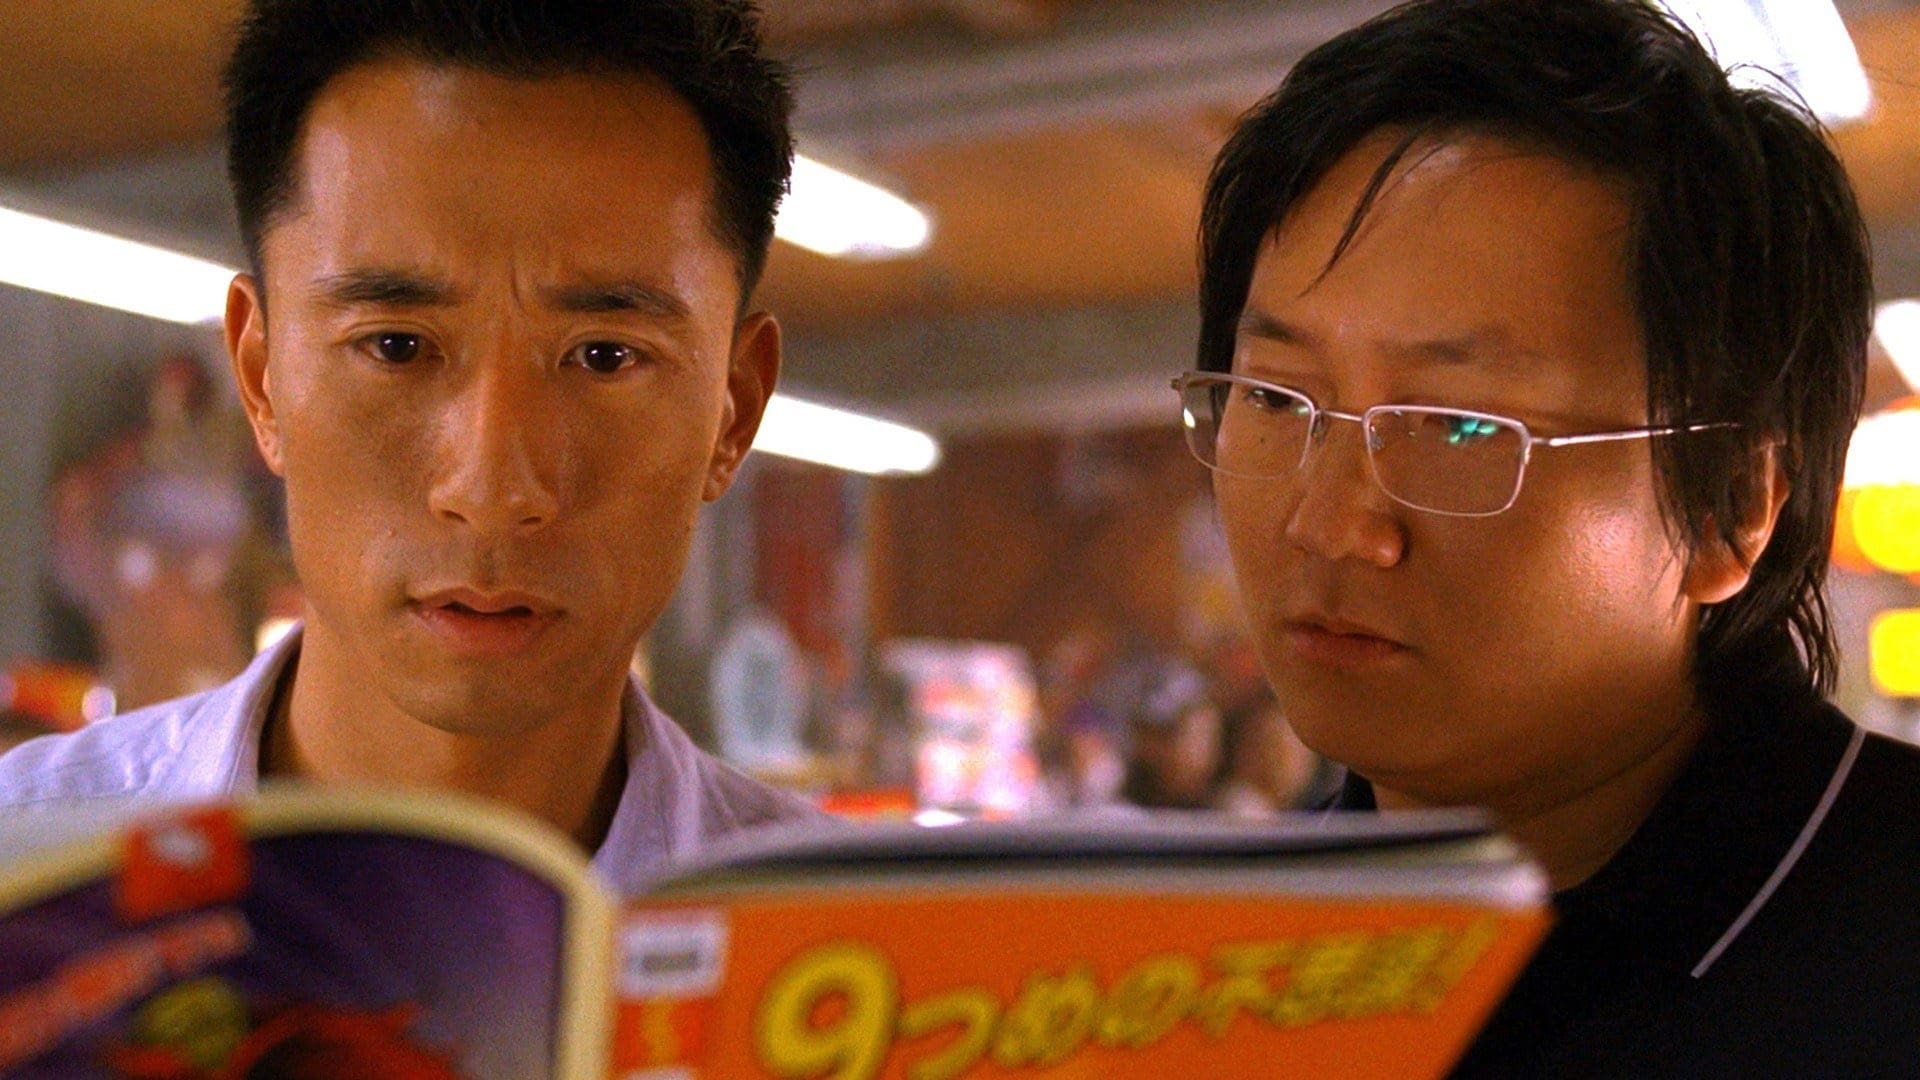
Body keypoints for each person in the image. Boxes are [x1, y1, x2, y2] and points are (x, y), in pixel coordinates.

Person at [1176, 0, 1920, 1073]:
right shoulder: (1182, 979)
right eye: (1276, 398)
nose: (1328, 523)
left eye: (1462, 426)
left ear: (1730, 507)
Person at [0, 0, 821, 892]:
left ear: (735, 408)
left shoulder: (857, 940)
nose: (492, 487)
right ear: (261, 376)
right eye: (395, 346)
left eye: (605, 357)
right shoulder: (27, 884)